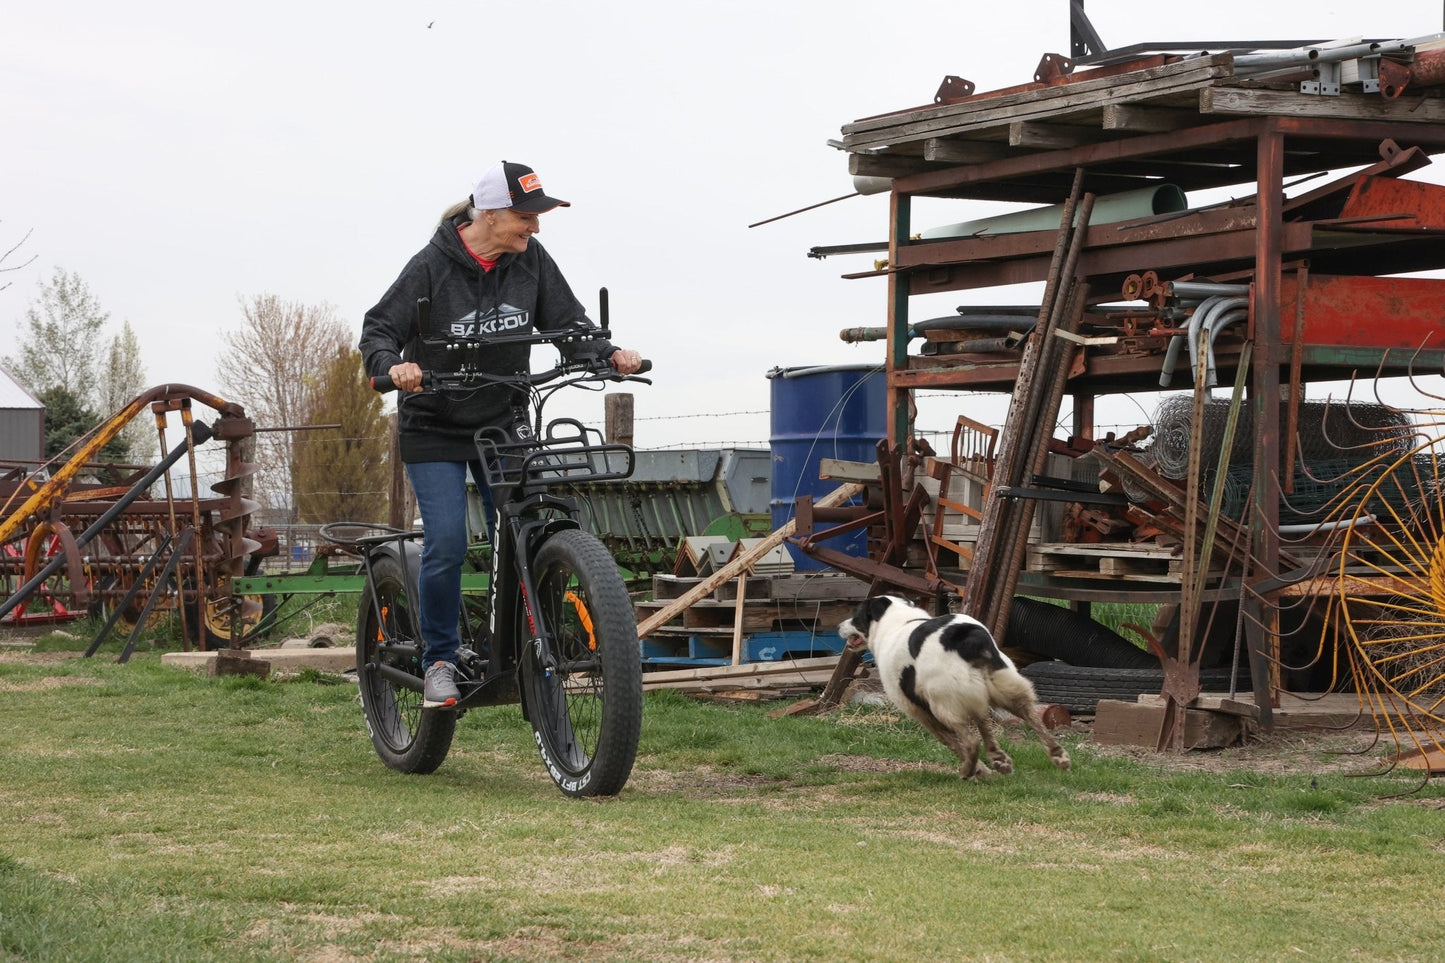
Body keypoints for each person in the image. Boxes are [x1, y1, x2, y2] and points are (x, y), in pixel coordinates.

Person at [359, 160, 644, 708]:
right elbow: (380, 328)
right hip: (434, 424)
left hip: (502, 420)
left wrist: (607, 354)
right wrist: (393, 365)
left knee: (529, 528)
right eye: (525, 216)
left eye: (538, 217)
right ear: (489, 214)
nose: (535, 228)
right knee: (446, 541)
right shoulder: (430, 267)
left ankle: (524, 646)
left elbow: (568, 323)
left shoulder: (531, 262)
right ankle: (440, 658)